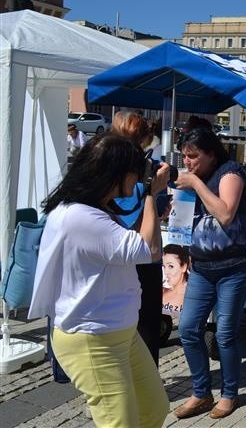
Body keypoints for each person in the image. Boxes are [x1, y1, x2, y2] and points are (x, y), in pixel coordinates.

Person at [28, 134, 171, 427]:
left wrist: (151, 207)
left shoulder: (93, 210)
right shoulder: (79, 216)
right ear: (113, 174)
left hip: (120, 332)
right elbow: (150, 251)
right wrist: (150, 195)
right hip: (92, 339)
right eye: (136, 171)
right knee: (121, 422)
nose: (138, 177)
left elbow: (125, 245)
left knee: (154, 408)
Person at [173, 128, 246, 420]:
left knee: (224, 333)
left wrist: (195, 182)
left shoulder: (230, 172)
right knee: (188, 329)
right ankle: (201, 392)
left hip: (233, 267)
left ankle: (229, 394)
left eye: (194, 156)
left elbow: (225, 214)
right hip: (201, 267)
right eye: (184, 155)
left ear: (211, 154)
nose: (188, 161)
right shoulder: (191, 179)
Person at [111, 110, 164, 366]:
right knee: (146, 328)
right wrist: (153, 191)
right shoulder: (142, 170)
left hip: (112, 258)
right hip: (142, 257)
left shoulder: (103, 164)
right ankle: (147, 385)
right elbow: (152, 245)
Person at [162, 244, 191, 315]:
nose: (166, 272)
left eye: (171, 266)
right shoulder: (162, 292)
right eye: (164, 266)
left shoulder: (193, 295)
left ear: (184, 267)